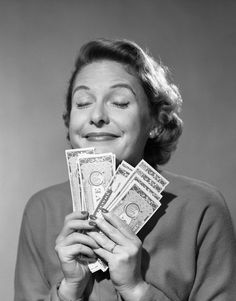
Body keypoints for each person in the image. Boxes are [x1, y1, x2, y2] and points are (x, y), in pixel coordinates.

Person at [14, 38, 236, 301]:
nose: (96, 116)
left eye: (119, 102)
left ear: (155, 121)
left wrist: (136, 290)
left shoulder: (201, 208)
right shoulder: (41, 210)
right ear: (69, 121)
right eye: (83, 102)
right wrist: (69, 290)